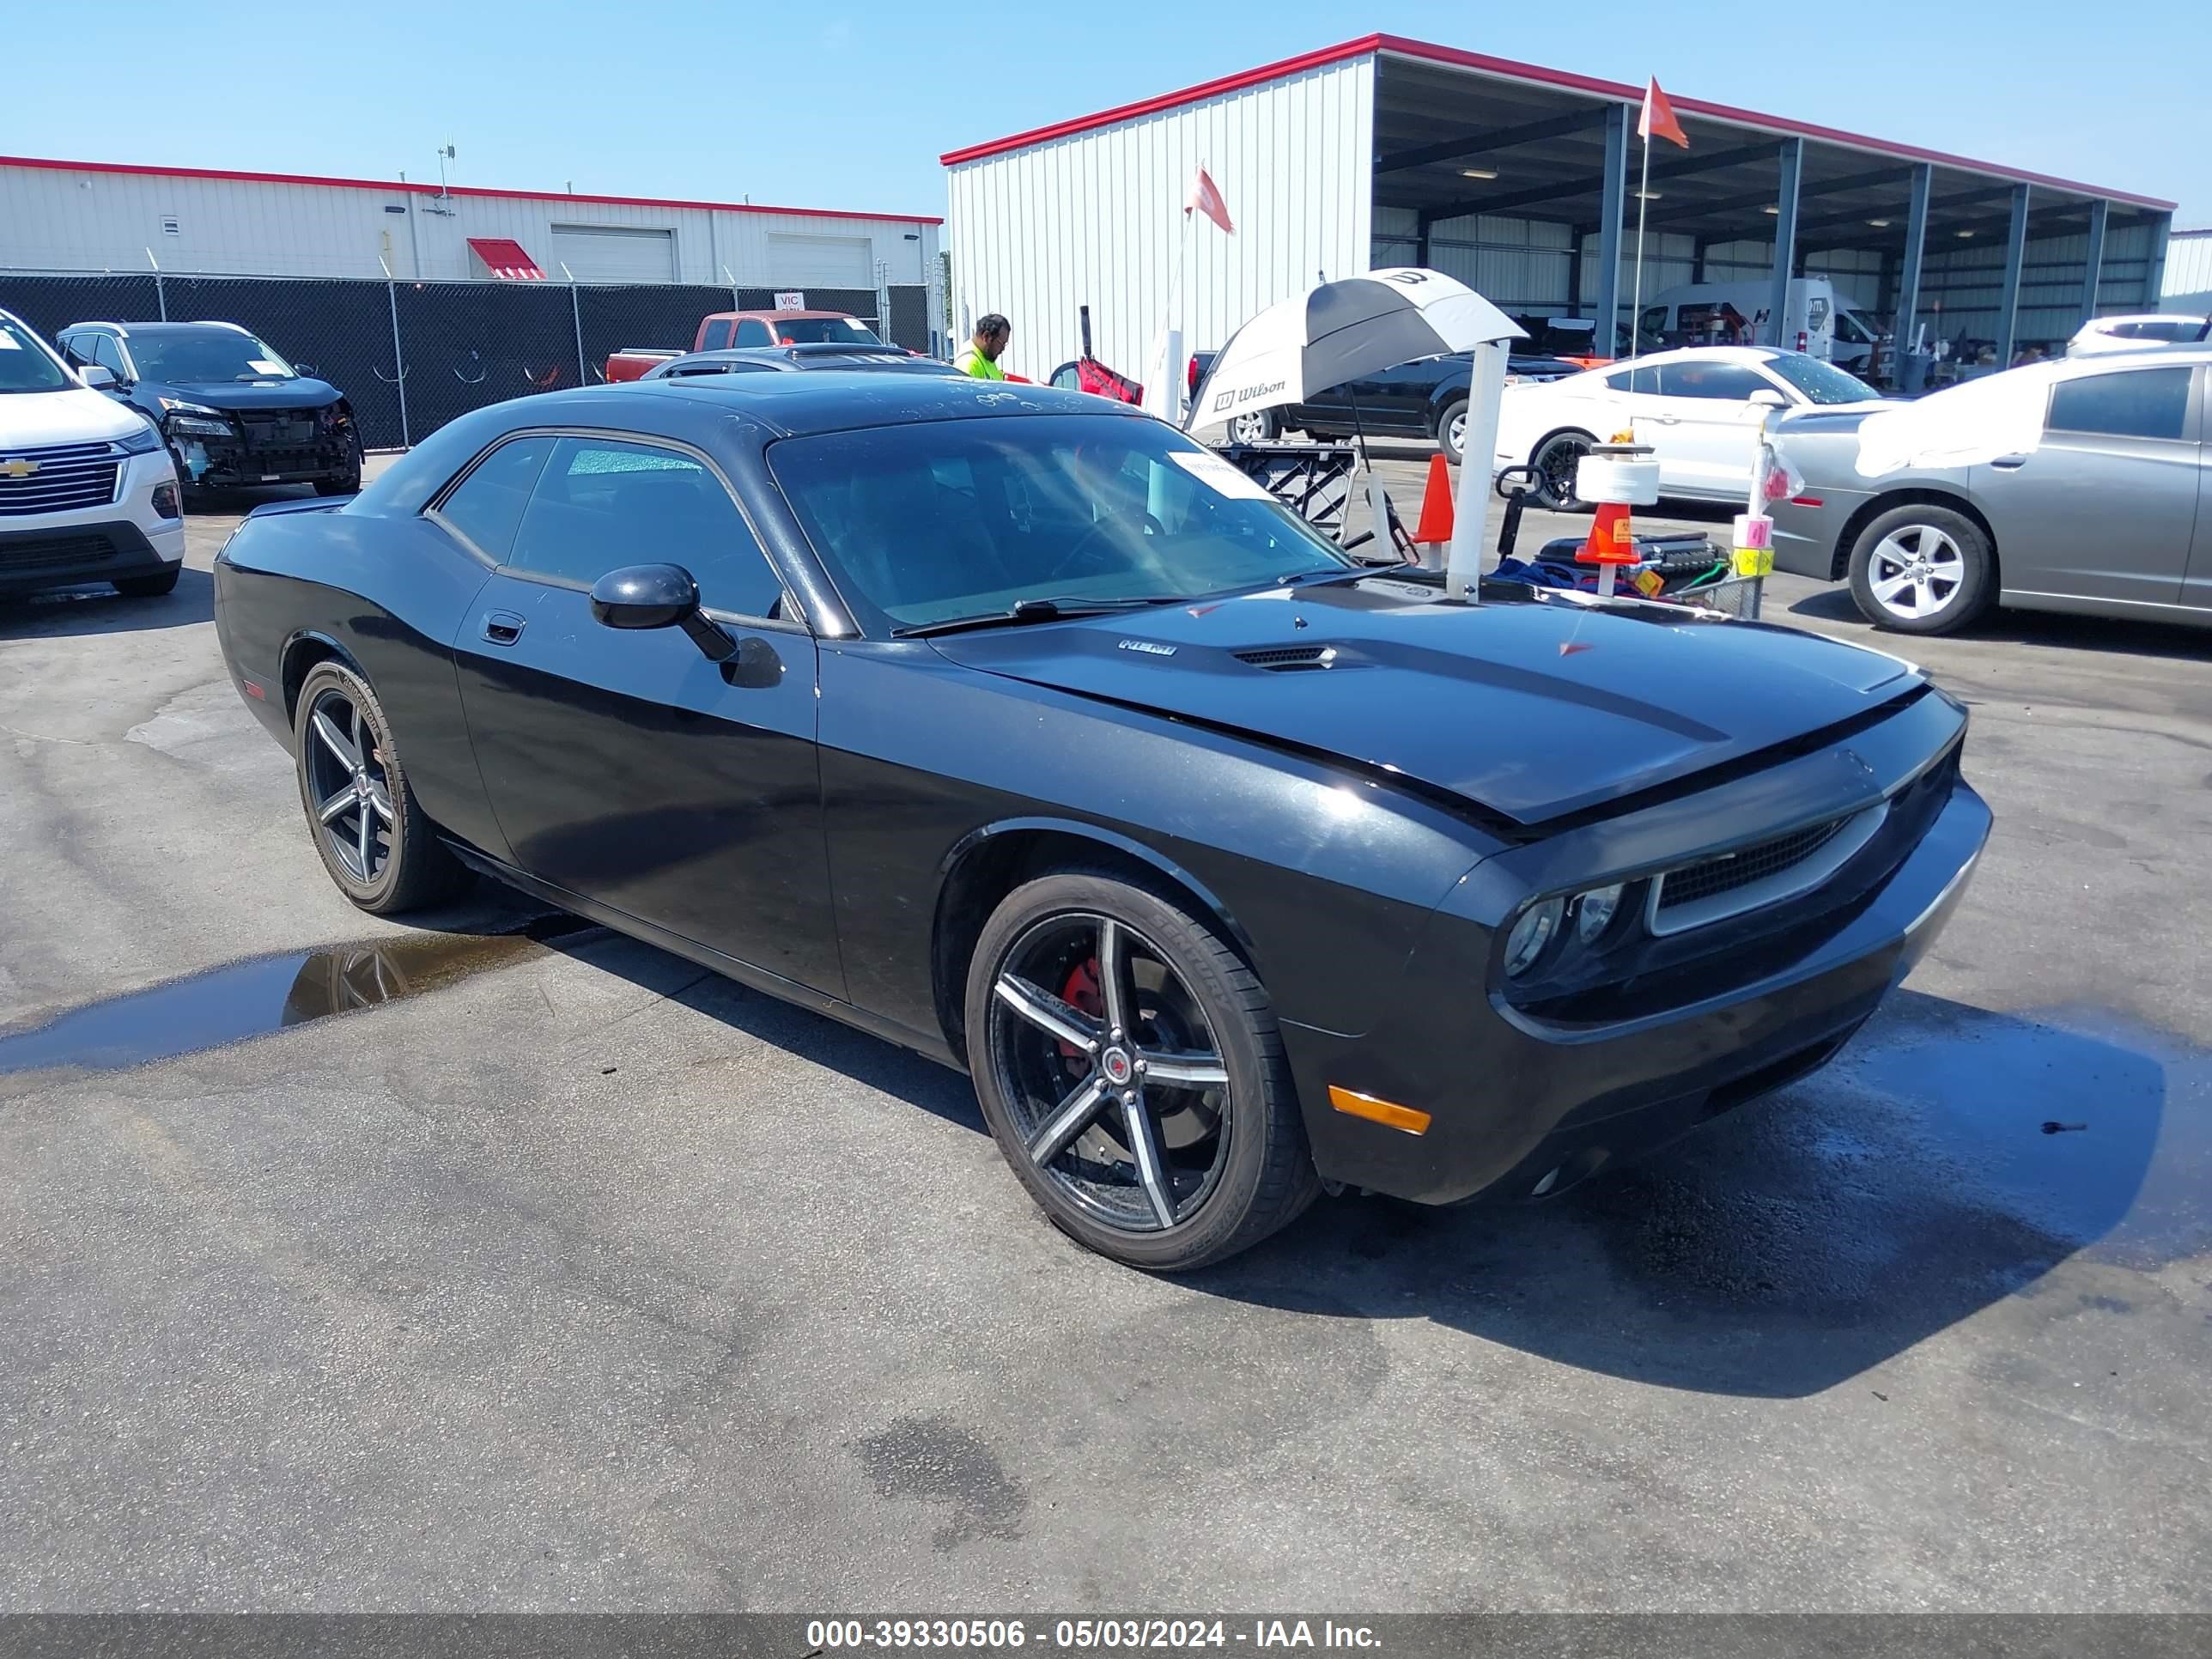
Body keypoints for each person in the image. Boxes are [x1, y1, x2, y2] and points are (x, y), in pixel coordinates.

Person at [955, 314, 1011, 380]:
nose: (1003, 349)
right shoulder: (969, 364)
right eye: (1002, 344)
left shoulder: (986, 354)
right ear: (986, 336)